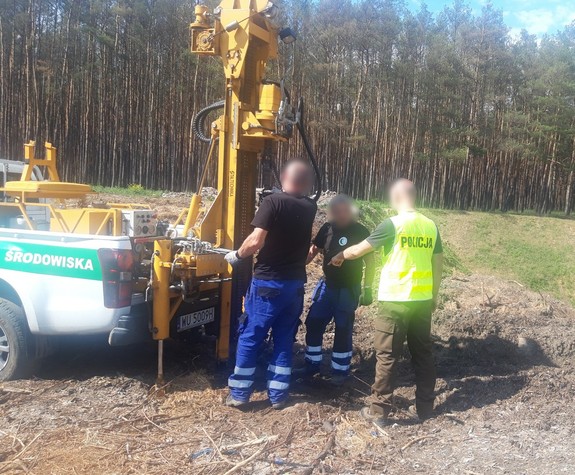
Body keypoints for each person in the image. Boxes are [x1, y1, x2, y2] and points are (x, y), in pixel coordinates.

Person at [330, 179, 443, 423]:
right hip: (422, 301)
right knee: (422, 354)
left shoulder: (393, 225)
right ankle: (424, 408)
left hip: (395, 300)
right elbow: (437, 264)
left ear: (399, 197)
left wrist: (340, 254)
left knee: (387, 355)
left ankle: (379, 411)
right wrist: (434, 296)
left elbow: (361, 249)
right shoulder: (430, 226)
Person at [224, 160, 317, 410]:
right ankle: (278, 395)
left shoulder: (272, 202)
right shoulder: (310, 206)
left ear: (285, 177)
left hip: (268, 283)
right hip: (295, 285)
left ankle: (240, 393)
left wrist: (237, 256)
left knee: (251, 335)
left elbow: (255, 242)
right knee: (284, 338)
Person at [297, 194, 375, 385]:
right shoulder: (327, 229)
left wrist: (368, 288)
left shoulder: (361, 231)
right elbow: (313, 251)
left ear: (352, 212)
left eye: (345, 211)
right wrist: (296, 269)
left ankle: (340, 371)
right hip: (327, 286)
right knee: (314, 323)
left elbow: (371, 261)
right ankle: (312, 365)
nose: (341, 215)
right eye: (337, 211)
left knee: (343, 328)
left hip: (349, 289)